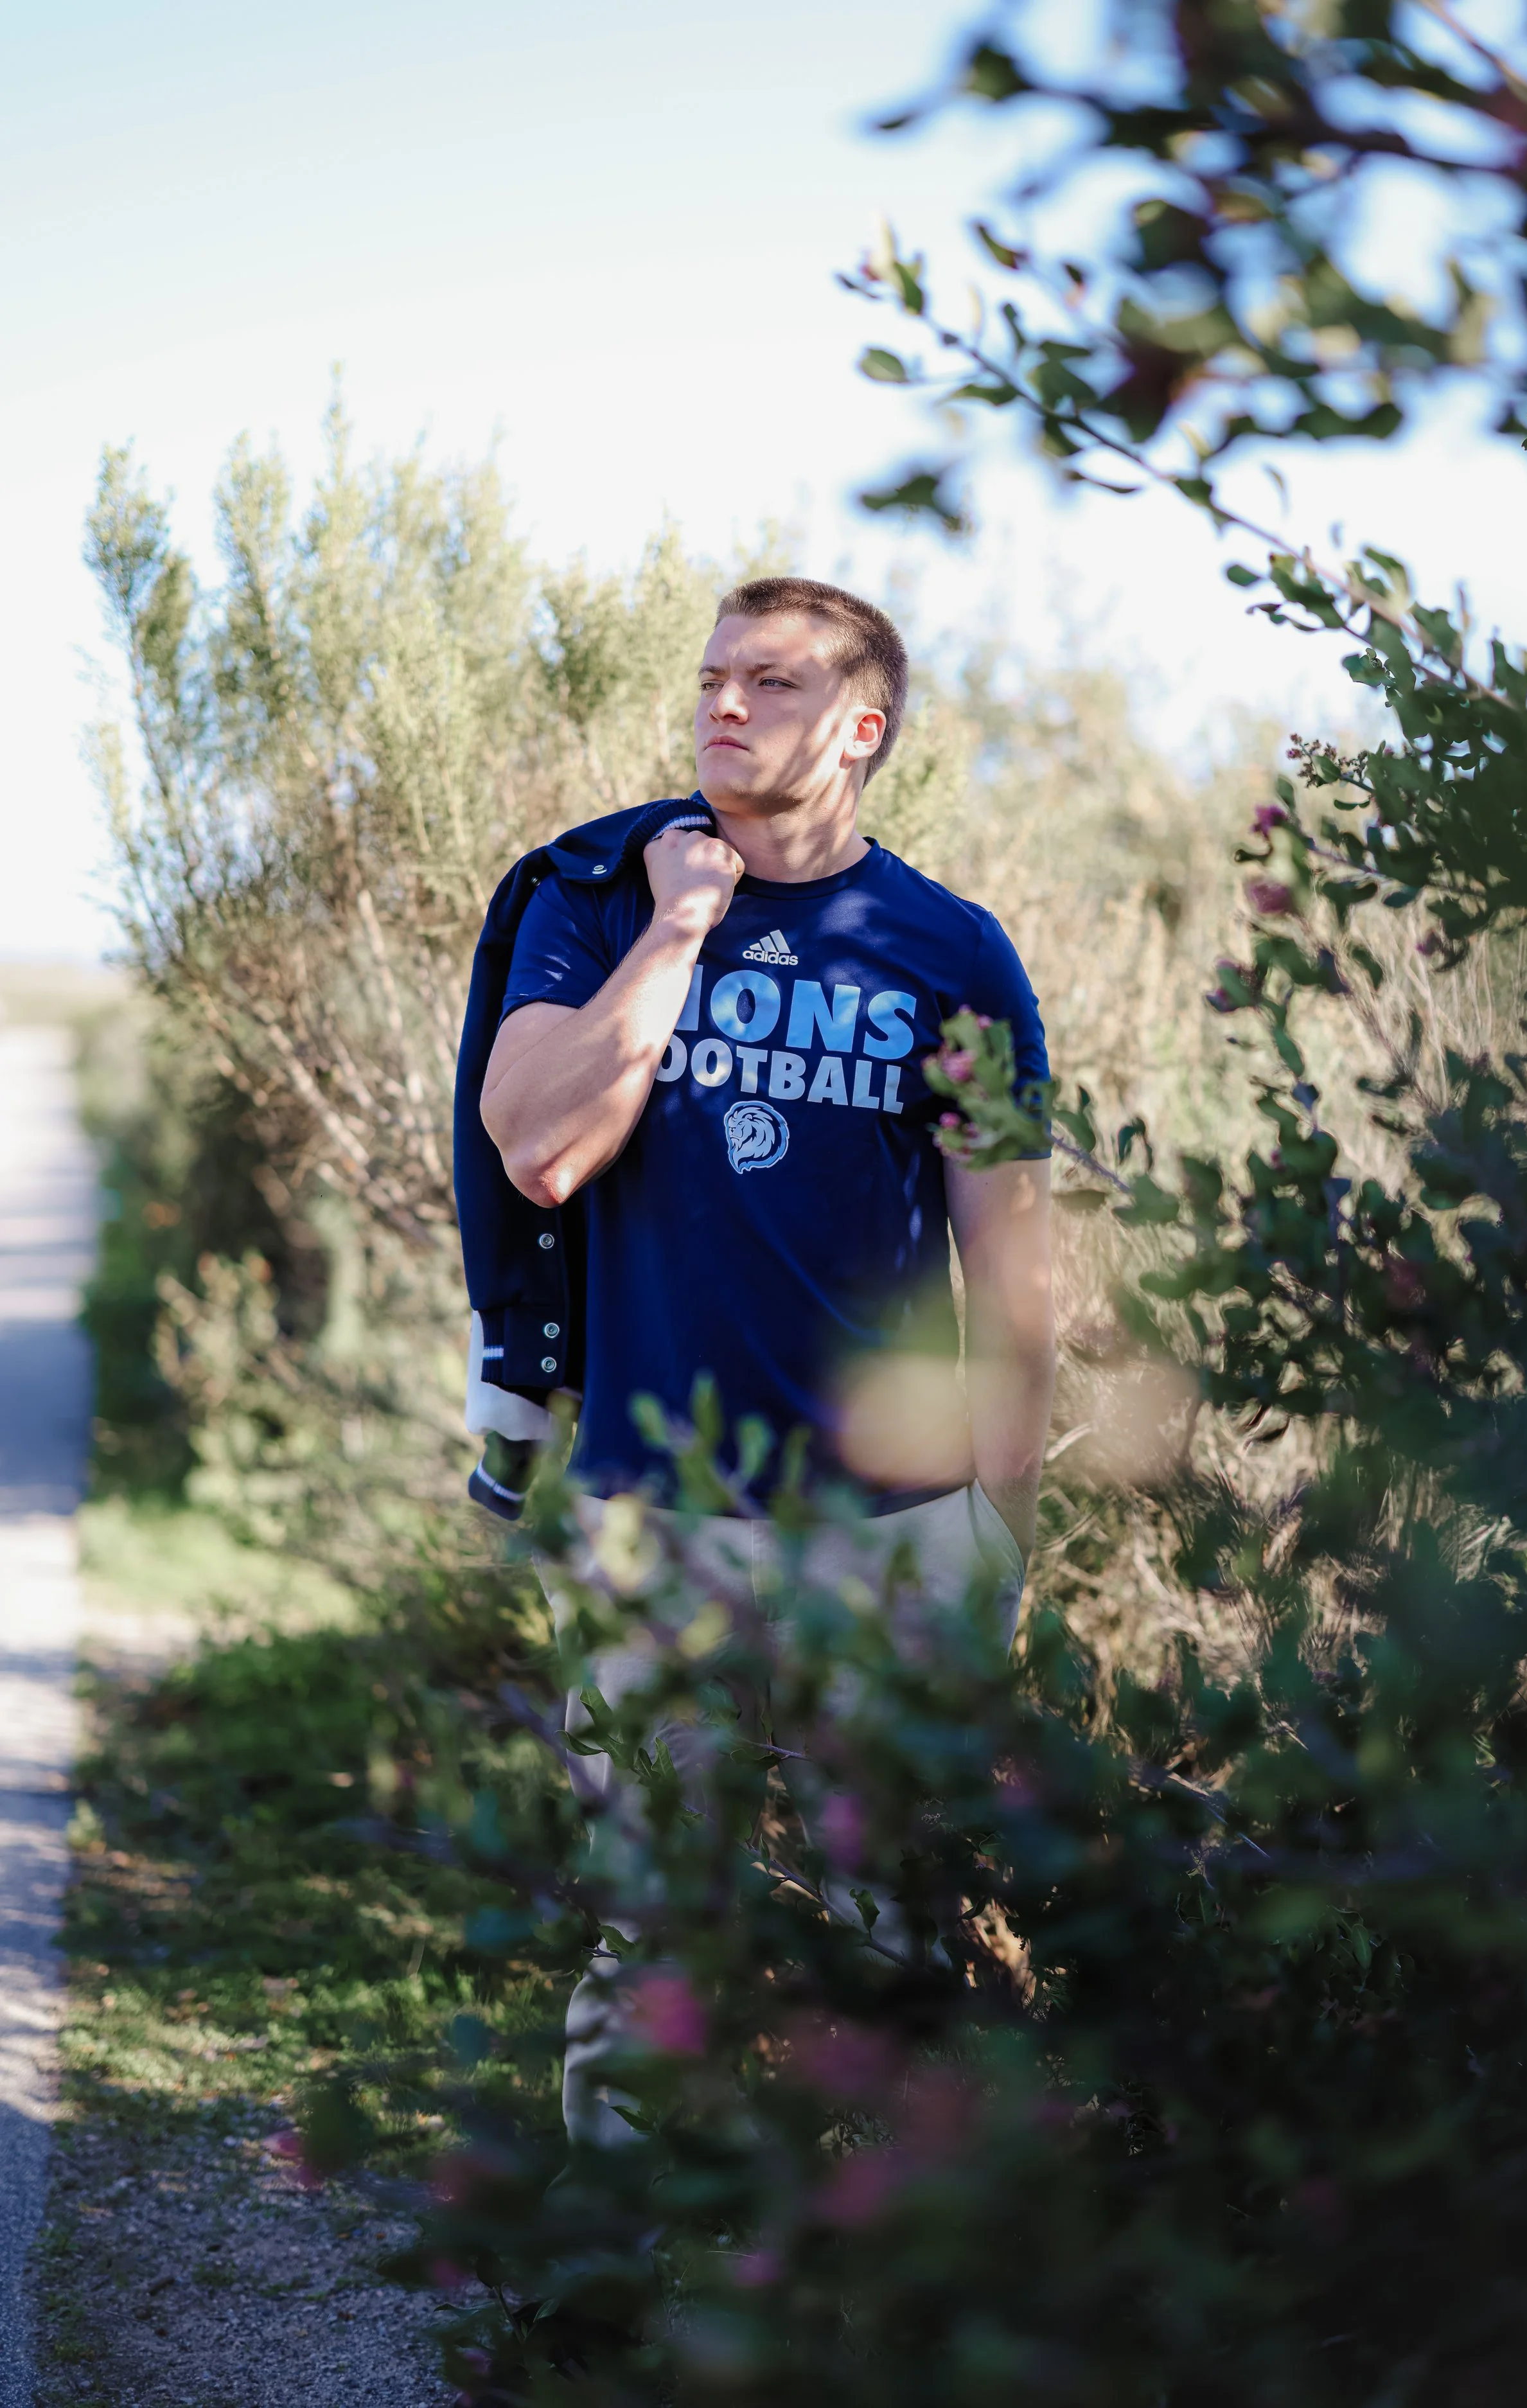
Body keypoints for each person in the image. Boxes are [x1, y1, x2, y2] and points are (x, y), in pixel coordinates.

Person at [477, 576, 1056, 2136]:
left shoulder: (950, 950)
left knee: (896, 1925)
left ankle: (884, 2283)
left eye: (773, 683)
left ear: (860, 728)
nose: (723, 703)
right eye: (713, 676)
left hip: (892, 1528)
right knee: (651, 1929)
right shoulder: (593, 897)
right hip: (648, 1518)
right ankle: (608, 2281)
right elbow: (538, 1151)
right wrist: (680, 922)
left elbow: (1009, 1254)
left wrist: (1002, 1524)